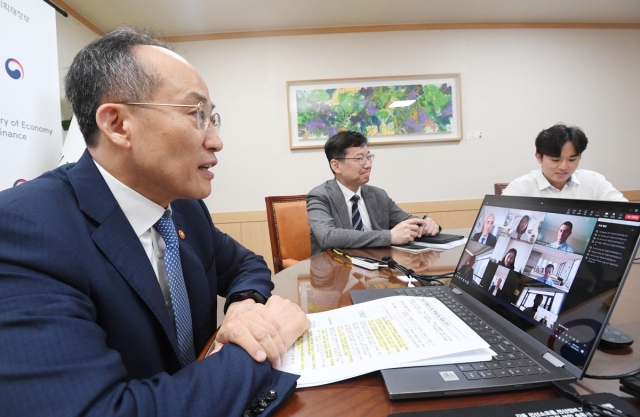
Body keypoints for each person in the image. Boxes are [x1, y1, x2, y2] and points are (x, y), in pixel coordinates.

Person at [0, 28, 311, 416]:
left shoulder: (181, 209)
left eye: (212, 117)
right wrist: (267, 342)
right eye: (196, 114)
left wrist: (246, 307)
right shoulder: (23, 229)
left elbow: (246, 264)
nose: (216, 141)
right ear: (117, 124)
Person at [306, 131, 440, 255]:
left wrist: (426, 225)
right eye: (359, 159)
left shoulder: (378, 195)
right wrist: (389, 236)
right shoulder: (319, 196)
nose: (368, 164)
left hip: (378, 270)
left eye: (368, 157)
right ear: (336, 165)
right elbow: (327, 236)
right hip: (334, 271)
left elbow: (406, 221)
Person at [502, 124, 627, 201]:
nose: (564, 167)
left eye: (572, 160)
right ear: (539, 157)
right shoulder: (521, 187)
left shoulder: (594, 181)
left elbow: (625, 214)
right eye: (555, 160)